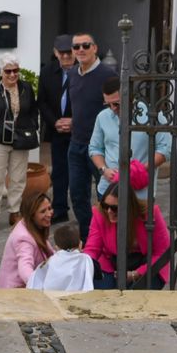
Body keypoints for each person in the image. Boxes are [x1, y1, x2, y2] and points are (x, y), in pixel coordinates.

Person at [64, 31, 116, 244]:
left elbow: (116, 109)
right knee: (77, 194)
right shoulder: (73, 74)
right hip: (76, 144)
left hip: (101, 147)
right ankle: (89, 237)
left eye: (86, 45)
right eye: (76, 47)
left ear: (95, 48)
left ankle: (109, 236)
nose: (81, 50)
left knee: (106, 194)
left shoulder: (107, 75)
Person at [0, 53, 38, 234]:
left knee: (18, 178)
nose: (12, 75)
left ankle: (14, 211)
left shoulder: (26, 87)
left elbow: (33, 110)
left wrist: (32, 125)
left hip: (20, 138)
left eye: (15, 70)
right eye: (8, 71)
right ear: (0, 72)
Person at [87, 77, 172, 202]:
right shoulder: (103, 117)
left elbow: (165, 149)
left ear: (130, 97)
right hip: (108, 190)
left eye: (116, 103)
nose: (112, 108)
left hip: (140, 192)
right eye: (108, 104)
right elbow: (95, 148)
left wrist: (140, 170)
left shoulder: (152, 114)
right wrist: (104, 169)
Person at [85, 186, 171, 290]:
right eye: (105, 205)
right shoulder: (100, 214)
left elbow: (162, 252)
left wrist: (136, 274)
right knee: (103, 294)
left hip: (147, 264)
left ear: (129, 206)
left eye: (114, 208)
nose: (108, 211)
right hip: (111, 263)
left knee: (136, 296)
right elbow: (92, 248)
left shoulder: (150, 214)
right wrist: (84, 264)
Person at [38, 35, 75, 229]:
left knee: (80, 171)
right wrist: (55, 122)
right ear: (55, 53)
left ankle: (83, 209)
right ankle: (60, 209)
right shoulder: (46, 73)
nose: (67, 56)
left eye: (70, 52)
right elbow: (42, 102)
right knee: (60, 171)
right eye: (63, 53)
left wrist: (74, 122)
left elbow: (92, 102)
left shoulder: (83, 71)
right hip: (57, 130)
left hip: (79, 131)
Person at [0, 190, 54, 288]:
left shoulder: (31, 225)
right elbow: (25, 268)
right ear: (32, 215)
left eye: (49, 208)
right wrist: (39, 286)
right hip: (15, 292)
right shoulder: (24, 238)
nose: (49, 214)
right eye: (43, 211)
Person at [27, 221, 94, 292]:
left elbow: (35, 280)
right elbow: (88, 282)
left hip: (52, 299)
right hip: (76, 299)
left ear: (56, 248)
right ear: (80, 244)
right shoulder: (85, 259)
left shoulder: (50, 261)